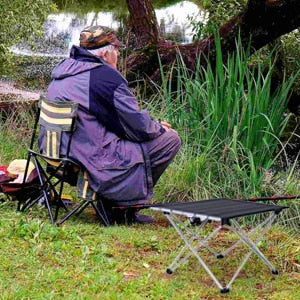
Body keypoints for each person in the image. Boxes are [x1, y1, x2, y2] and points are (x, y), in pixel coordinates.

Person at [39, 25, 181, 224]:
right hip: (87, 163)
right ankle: (120, 208)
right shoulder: (103, 77)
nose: (119, 53)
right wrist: (159, 128)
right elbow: (137, 126)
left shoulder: (65, 68)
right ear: (106, 53)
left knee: (126, 136)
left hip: (55, 158)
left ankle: (115, 203)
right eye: (117, 49)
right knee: (171, 139)